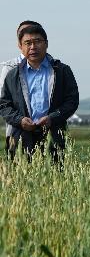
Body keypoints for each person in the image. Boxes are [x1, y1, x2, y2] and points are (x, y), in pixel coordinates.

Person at [0, 24, 79, 161]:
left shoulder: (61, 71)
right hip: (20, 138)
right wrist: (20, 120)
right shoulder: (13, 75)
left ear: (46, 44)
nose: (33, 47)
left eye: (37, 41)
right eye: (28, 43)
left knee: (55, 173)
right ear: (20, 46)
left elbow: (72, 101)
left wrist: (52, 118)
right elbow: (4, 105)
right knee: (21, 174)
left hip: (54, 136)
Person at [2, 20, 41, 156]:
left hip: (46, 133)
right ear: (20, 43)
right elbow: (4, 103)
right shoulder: (9, 67)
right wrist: (20, 120)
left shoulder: (52, 67)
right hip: (15, 133)